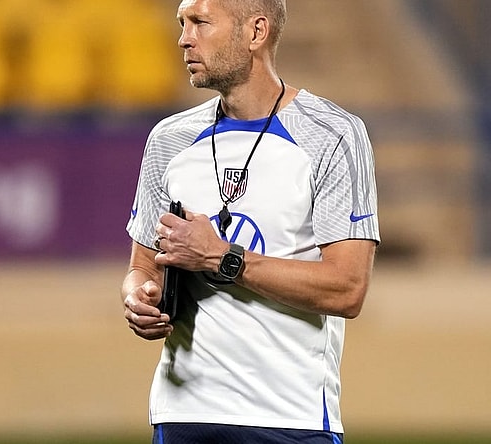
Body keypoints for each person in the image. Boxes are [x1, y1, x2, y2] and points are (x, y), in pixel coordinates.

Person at [121, 0, 380, 443]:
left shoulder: (333, 135)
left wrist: (222, 257)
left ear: (255, 32)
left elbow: (347, 289)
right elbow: (142, 266)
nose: (184, 38)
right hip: (183, 414)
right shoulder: (169, 140)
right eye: (182, 23)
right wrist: (138, 297)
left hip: (290, 419)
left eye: (200, 23)